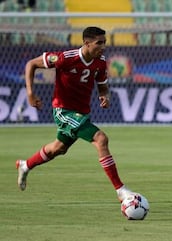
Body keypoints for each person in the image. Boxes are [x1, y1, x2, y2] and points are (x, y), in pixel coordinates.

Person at [16, 26, 133, 203]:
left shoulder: (100, 62)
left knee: (58, 148)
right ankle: (121, 190)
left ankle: (26, 165)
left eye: (104, 43)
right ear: (86, 43)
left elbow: (102, 86)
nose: (103, 47)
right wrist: (30, 93)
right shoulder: (65, 58)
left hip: (81, 113)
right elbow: (31, 64)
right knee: (101, 139)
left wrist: (104, 96)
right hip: (63, 110)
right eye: (99, 43)